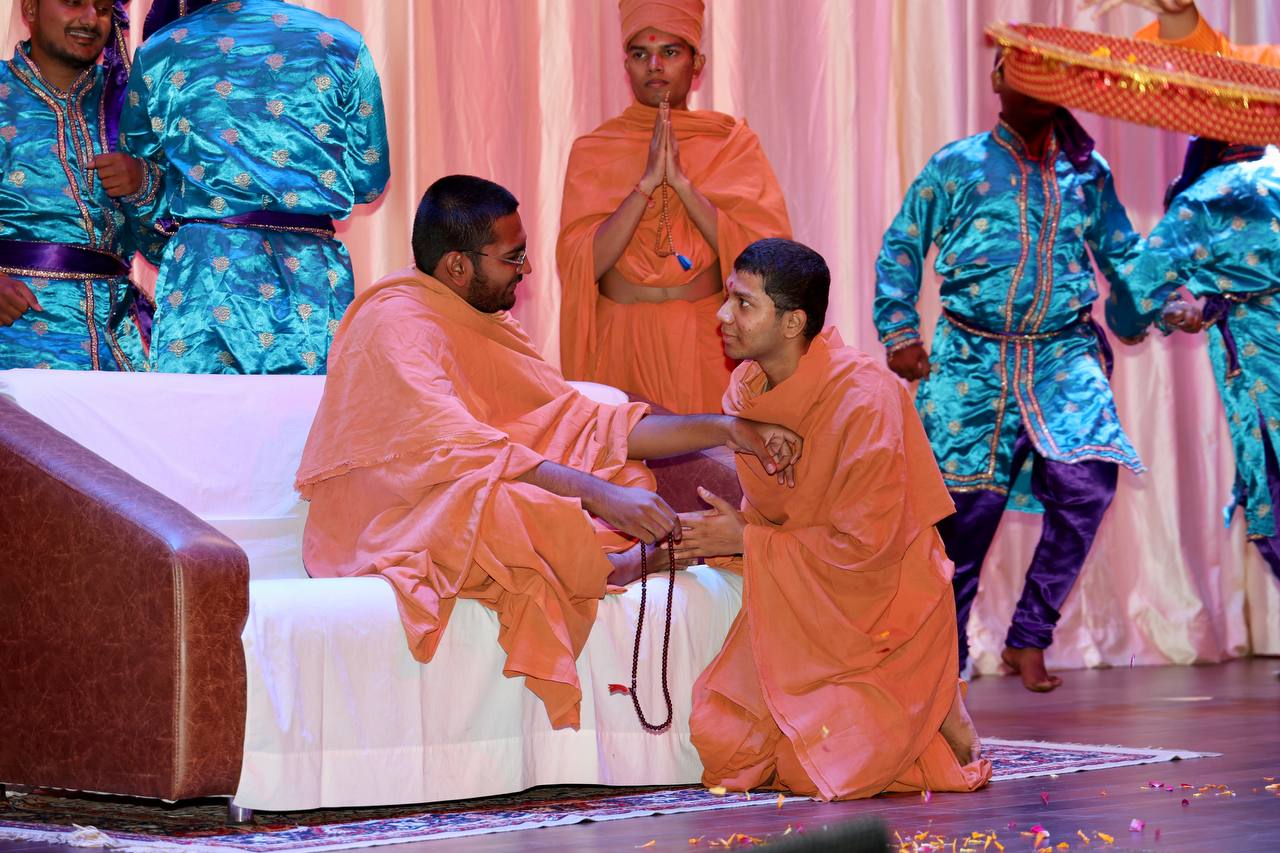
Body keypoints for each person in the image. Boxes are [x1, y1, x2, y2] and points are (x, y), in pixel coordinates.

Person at [295, 176, 801, 730]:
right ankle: (619, 565)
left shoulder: (482, 319)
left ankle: (604, 556)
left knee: (625, 474)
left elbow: (579, 422)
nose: (528, 269)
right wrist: (599, 497)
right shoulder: (395, 323)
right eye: (514, 257)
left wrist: (728, 429)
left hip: (466, 482)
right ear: (458, 266)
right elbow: (462, 449)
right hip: (389, 511)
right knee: (507, 507)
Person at [677, 238, 991, 800]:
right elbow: (776, 512)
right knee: (727, 748)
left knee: (825, 772)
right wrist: (736, 535)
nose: (723, 315)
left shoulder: (865, 397)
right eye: (728, 298)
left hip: (885, 603)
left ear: (793, 322)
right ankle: (922, 711)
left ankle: (937, 702)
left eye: (743, 303)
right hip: (806, 593)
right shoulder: (746, 390)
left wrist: (749, 542)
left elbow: (869, 547)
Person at [872, 51, 1147, 692]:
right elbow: (903, 242)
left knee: (1088, 486)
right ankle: (945, 661)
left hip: (1062, 354)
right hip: (971, 358)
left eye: (1051, 73)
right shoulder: (958, 163)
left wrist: (1153, 303)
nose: (1036, 83)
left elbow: (1123, 254)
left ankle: (1030, 633)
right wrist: (899, 329)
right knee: (963, 518)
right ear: (997, 79)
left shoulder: (1087, 170)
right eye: (1021, 70)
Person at [119, 0, 390, 374]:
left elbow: (142, 176)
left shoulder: (161, 51)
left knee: (197, 407)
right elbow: (369, 180)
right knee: (307, 407)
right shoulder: (343, 45)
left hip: (205, 277)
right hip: (309, 277)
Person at [556, 0, 791, 415]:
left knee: (712, 451)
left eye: (669, 52)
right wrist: (645, 185)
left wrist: (682, 184)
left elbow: (766, 259)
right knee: (624, 452)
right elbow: (580, 263)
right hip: (621, 337)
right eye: (640, 54)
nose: (654, 66)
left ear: (697, 63)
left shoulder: (731, 144)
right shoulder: (594, 150)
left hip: (708, 339)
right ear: (626, 65)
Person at [0, 0, 163, 370]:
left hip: (115, 348)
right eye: (74, 3)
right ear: (30, 9)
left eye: (103, 8)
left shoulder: (130, 102)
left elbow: (166, 244)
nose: (91, 20)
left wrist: (143, 183)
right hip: (14, 346)